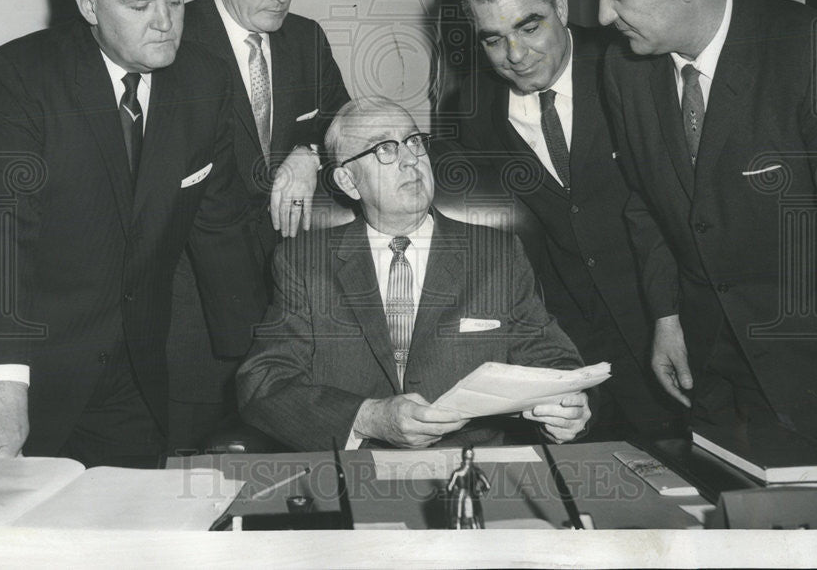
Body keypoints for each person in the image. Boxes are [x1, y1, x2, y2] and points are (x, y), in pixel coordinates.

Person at [0, 0, 259, 467]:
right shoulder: (18, 78)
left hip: (135, 374)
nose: (166, 22)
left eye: (175, 0)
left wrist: (264, 355)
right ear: (90, 6)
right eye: (140, 6)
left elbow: (223, 230)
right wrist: (0, 387)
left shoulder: (204, 79)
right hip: (30, 370)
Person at [582, 0, 817, 448]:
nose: (606, 15)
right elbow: (643, 203)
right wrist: (665, 316)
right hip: (706, 370)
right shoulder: (623, 70)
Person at [236, 97, 593, 451]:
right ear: (347, 181)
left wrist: (566, 407)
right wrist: (368, 417)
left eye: (414, 141)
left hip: (473, 470)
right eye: (385, 149)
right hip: (357, 471)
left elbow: (553, 363)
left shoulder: (496, 255)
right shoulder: (304, 262)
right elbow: (263, 383)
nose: (411, 159)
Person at [449, 0, 680, 440]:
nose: (514, 55)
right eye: (493, 40)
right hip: (570, 356)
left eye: (529, 27)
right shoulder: (470, 107)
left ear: (561, 9)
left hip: (673, 329)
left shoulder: (634, 63)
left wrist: (672, 313)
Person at [167, 0, 350, 452]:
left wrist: (307, 151)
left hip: (286, 303)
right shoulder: (173, 40)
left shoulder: (306, 39)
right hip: (194, 308)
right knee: (191, 473)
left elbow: (344, 121)